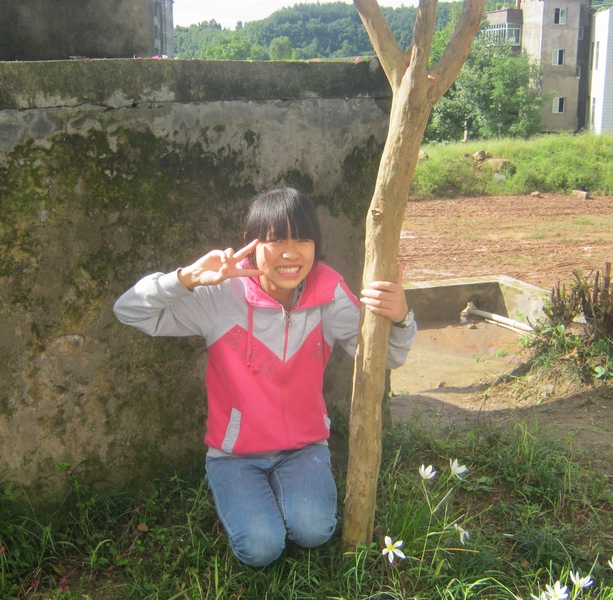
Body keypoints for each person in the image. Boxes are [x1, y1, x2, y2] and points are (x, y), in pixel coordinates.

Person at [113, 186, 416, 567]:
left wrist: (401, 317)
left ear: (316, 245)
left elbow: (385, 358)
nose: (291, 253)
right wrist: (186, 278)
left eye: (303, 239)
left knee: (315, 531)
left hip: (303, 448)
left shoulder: (329, 294)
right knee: (260, 549)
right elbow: (129, 311)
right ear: (252, 244)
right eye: (276, 240)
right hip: (235, 456)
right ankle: (241, 493)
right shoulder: (222, 295)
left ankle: (286, 491)